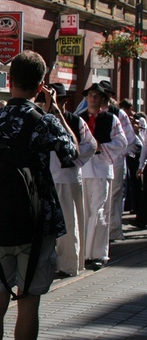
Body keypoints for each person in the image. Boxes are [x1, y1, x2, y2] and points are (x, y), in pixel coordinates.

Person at [0, 51, 78, 340]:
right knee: (28, 301)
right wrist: (56, 110)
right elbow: (72, 154)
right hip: (36, 221)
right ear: (40, 84)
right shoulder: (42, 120)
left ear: (10, 80)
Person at [47, 83, 97, 278]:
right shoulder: (41, 119)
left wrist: (73, 159)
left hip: (67, 178)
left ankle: (68, 264)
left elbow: (90, 145)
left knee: (69, 223)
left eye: (56, 100)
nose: (52, 104)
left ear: (64, 101)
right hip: (46, 178)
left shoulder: (75, 121)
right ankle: (46, 264)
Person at [79, 83, 127, 270]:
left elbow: (121, 141)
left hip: (100, 168)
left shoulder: (111, 119)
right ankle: (83, 252)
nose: (92, 99)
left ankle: (98, 253)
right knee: (84, 211)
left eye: (96, 96)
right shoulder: (79, 119)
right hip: (83, 169)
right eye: (90, 95)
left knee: (99, 212)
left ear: (102, 100)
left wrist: (101, 147)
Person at [98, 81, 138, 241]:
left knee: (113, 197)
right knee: (100, 197)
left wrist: (117, 154)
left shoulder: (118, 114)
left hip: (114, 160)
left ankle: (113, 230)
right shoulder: (89, 112)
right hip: (98, 161)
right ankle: (100, 231)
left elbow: (130, 139)